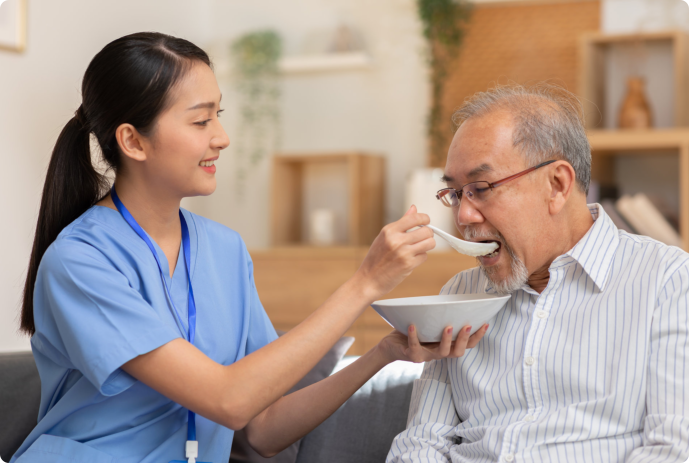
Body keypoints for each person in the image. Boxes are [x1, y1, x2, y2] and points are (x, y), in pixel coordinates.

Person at [11, 32, 491, 463]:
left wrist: (383, 354)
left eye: (218, 115)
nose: (221, 138)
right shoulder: (80, 261)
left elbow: (262, 429)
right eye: (200, 121)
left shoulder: (224, 250)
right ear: (133, 141)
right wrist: (364, 283)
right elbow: (229, 399)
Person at [387, 84, 689, 462]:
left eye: (481, 188)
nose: (463, 216)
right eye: (455, 193)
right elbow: (421, 443)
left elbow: (671, 449)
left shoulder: (667, 281)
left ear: (557, 185)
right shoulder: (460, 293)